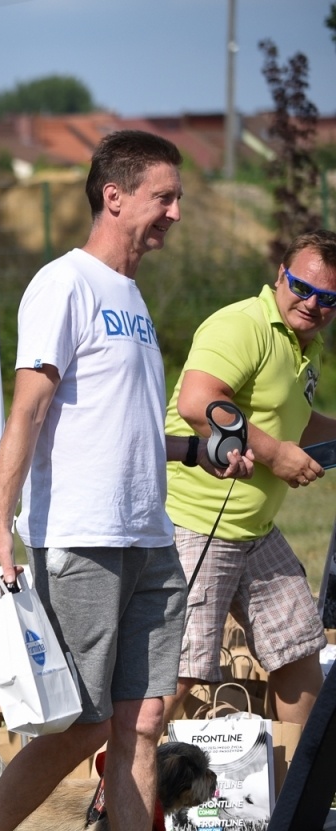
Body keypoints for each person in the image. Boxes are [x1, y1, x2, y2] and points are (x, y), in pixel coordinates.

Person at [0, 131, 247, 831]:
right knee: (77, 728)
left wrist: (194, 450)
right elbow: (28, 412)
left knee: (141, 726)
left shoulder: (130, 298)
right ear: (115, 196)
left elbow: (119, 428)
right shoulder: (62, 284)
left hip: (148, 538)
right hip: (83, 541)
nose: (174, 211)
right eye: (164, 196)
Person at [162, 229, 336, 727]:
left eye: (328, 299)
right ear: (280, 276)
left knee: (299, 650)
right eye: (302, 288)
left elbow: (296, 423)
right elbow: (198, 401)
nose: (312, 304)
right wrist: (275, 454)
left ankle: (296, 794)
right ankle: (112, 794)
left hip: (254, 533)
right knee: (181, 674)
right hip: (198, 523)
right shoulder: (244, 325)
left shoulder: (307, 344)